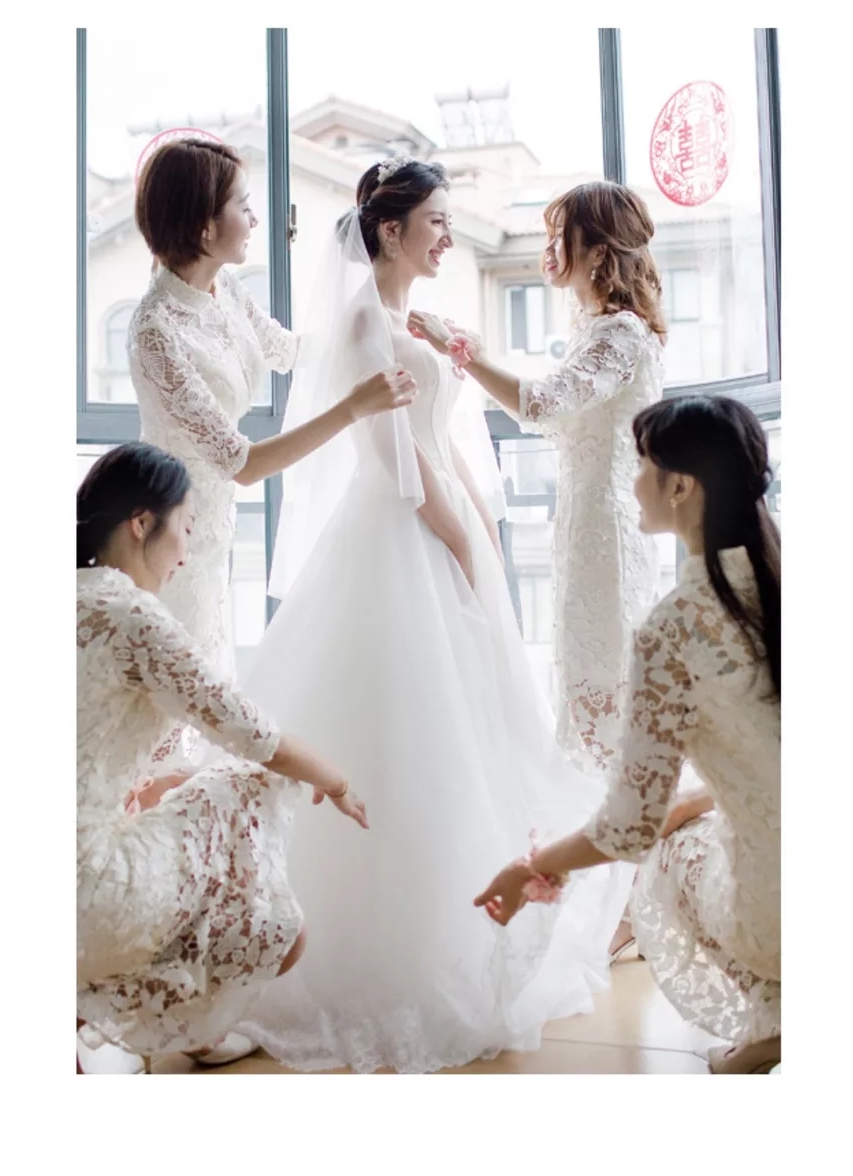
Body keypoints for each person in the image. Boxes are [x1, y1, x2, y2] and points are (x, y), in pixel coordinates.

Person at [230, 157, 628, 1074]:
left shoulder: (412, 319)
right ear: (390, 230)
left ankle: (471, 915)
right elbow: (399, 465)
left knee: (459, 730)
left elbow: (443, 442)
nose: (448, 235)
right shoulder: (364, 320)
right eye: (437, 221)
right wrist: (460, 545)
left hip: (445, 522)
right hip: (398, 535)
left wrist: (481, 536)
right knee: (402, 730)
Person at [474, 395, 781, 1075]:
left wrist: (533, 867)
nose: (633, 481)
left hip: (783, 908)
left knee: (668, 853)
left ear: (680, 486)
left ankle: (779, 1016)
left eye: (640, 465)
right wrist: (700, 800)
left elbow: (627, 830)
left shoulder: (675, 628)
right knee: (699, 815)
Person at [76, 442, 368, 1073]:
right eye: (185, 528)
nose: (187, 552)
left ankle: (142, 1011)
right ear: (141, 523)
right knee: (249, 786)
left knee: (187, 789)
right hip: (84, 893)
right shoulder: (130, 614)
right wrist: (338, 780)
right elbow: (252, 732)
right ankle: (171, 1006)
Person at [128, 135, 416, 691]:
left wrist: (380, 324)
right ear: (204, 227)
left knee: (209, 675)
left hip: (213, 524)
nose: (255, 220)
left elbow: (290, 351)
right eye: (243, 206)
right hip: (164, 529)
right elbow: (242, 464)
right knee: (178, 686)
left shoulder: (226, 289)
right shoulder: (155, 330)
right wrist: (353, 407)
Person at [407, 181, 665, 775]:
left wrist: (459, 351)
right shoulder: (596, 327)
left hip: (609, 525)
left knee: (603, 664)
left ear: (598, 251)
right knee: (584, 660)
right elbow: (565, 411)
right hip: (585, 517)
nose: (548, 250)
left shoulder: (621, 332)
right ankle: (600, 789)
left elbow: (544, 402)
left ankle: (616, 793)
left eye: (559, 236)